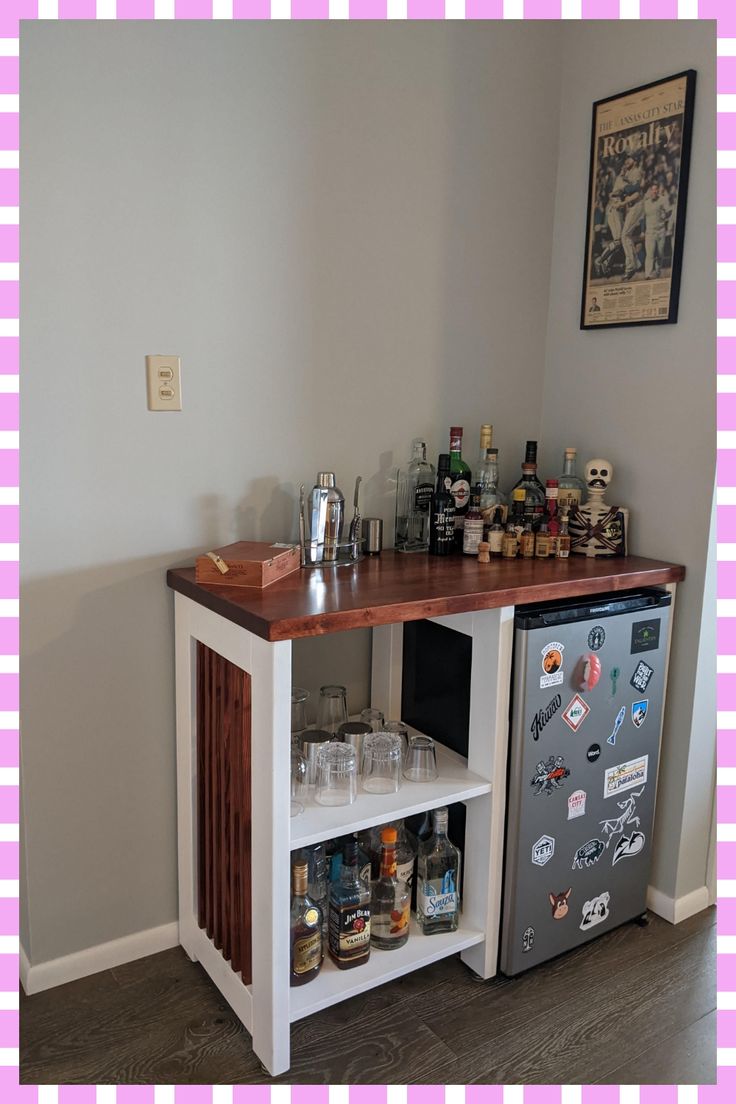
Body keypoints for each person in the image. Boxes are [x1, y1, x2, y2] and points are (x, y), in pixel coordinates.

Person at [619, 155, 645, 281]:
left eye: (628, 159)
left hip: (638, 205)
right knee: (626, 237)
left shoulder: (637, 171)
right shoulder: (628, 173)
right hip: (631, 207)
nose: (626, 161)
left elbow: (636, 190)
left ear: (634, 161)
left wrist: (624, 190)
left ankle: (632, 266)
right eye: (625, 160)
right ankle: (633, 265)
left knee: (625, 236)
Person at [643, 182, 672, 279]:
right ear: (650, 191)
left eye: (656, 189)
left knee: (660, 253)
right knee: (650, 254)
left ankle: (658, 271)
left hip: (660, 231)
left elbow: (669, 211)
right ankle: (648, 274)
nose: (654, 191)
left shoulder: (663, 200)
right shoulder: (646, 203)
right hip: (650, 232)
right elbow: (642, 217)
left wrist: (665, 215)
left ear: (658, 191)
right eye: (652, 189)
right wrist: (642, 231)